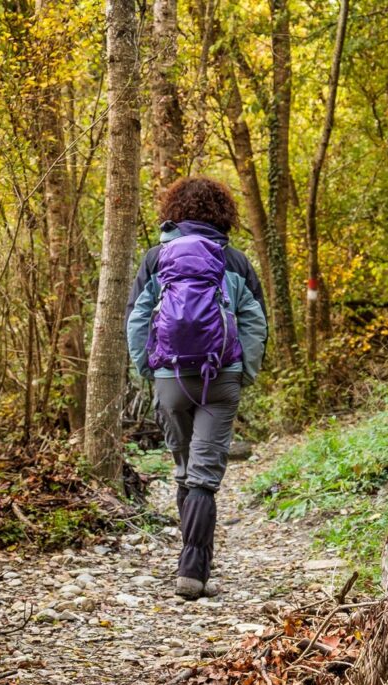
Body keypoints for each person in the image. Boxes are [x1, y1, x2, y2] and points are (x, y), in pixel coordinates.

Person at [125, 177, 267, 599]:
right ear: (224, 215)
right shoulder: (235, 261)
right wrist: (245, 371)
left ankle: (189, 565)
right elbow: (254, 322)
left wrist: (148, 369)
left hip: (170, 379)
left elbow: (137, 318)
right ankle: (193, 572)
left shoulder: (156, 259)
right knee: (205, 476)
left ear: (173, 212)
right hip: (221, 376)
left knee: (186, 471)